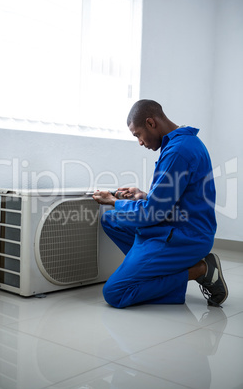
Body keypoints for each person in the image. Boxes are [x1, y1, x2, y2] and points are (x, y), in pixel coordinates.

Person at [93, 99, 228, 309]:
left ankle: (200, 270)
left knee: (115, 293)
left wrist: (114, 201)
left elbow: (151, 215)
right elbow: (176, 198)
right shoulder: (181, 143)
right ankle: (153, 272)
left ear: (150, 123)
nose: (139, 142)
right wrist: (143, 195)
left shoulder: (178, 152)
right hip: (176, 225)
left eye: (138, 134)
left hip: (185, 237)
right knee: (110, 219)